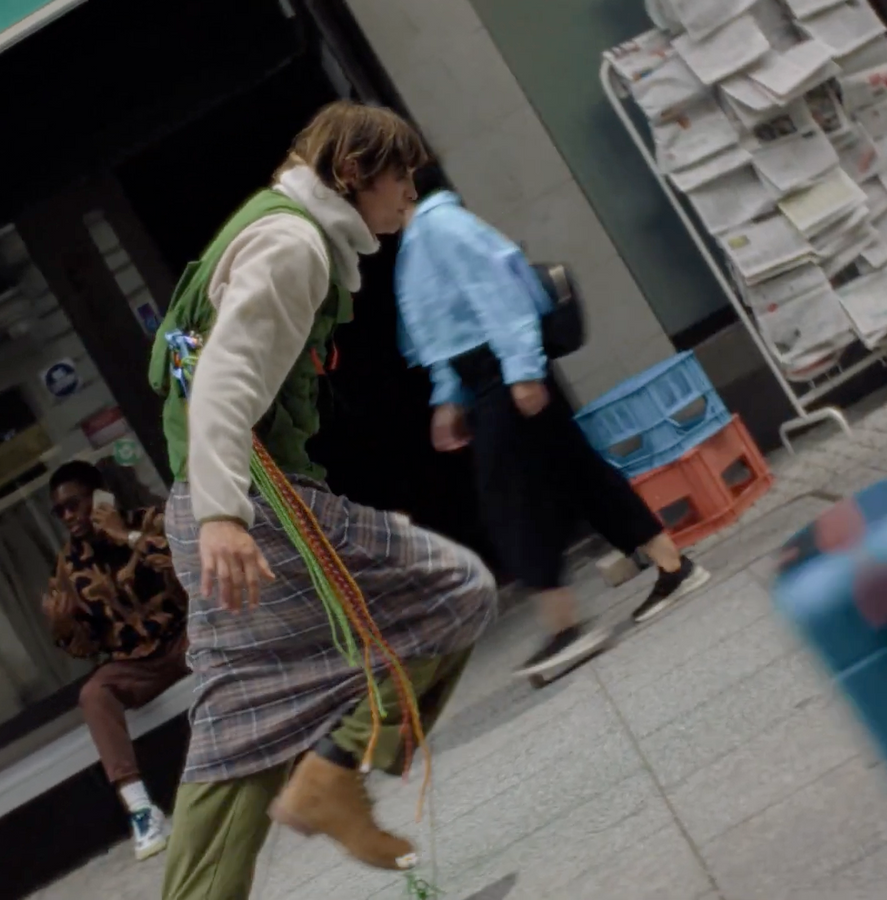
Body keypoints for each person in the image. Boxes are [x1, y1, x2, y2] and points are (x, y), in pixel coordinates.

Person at [147, 102, 499, 900]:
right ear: (353, 174)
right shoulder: (291, 243)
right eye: (399, 173)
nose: (410, 189)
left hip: (221, 499)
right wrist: (224, 516)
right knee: (454, 592)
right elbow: (225, 381)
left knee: (237, 730)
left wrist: (214, 511)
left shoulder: (284, 232)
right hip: (252, 505)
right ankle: (336, 773)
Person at [394, 164, 710, 681]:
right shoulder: (422, 236)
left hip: (501, 373)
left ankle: (566, 627)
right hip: (489, 374)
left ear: (400, 182)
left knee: (509, 499)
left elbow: (499, 297)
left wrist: (519, 372)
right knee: (577, 473)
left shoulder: (439, 228)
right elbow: (447, 332)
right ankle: (674, 567)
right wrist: (450, 396)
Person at [41, 460, 190, 861]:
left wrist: (126, 536)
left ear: (101, 495)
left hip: (184, 636)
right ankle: (142, 810)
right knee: (94, 694)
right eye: (60, 511)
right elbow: (86, 648)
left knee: (223, 631)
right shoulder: (69, 566)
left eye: (75, 504)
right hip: (136, 665)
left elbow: (188, 559)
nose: (69, 517)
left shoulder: (149, 519)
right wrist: (63, 628)